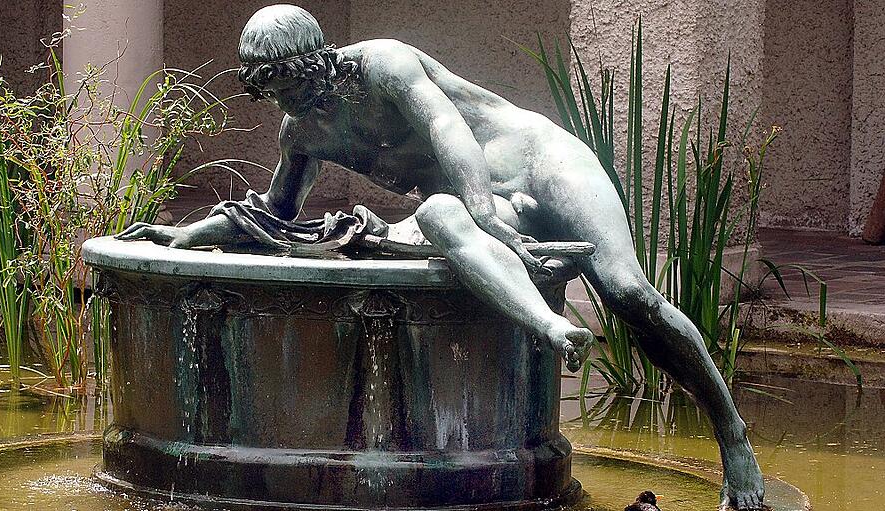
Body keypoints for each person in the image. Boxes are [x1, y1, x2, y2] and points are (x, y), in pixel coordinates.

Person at [117, 5, 764, 509]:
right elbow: (273, 213)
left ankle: (732, 434)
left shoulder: (383, 65)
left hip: (535, 161)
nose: (283, 102)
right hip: (474, 204)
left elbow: (449, 132)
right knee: (441, 219)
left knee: (629, 294)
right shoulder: (304, 132)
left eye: (288, 83)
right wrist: (184, 237)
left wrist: (482, 211)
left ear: (316, 63)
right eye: (269, 90)